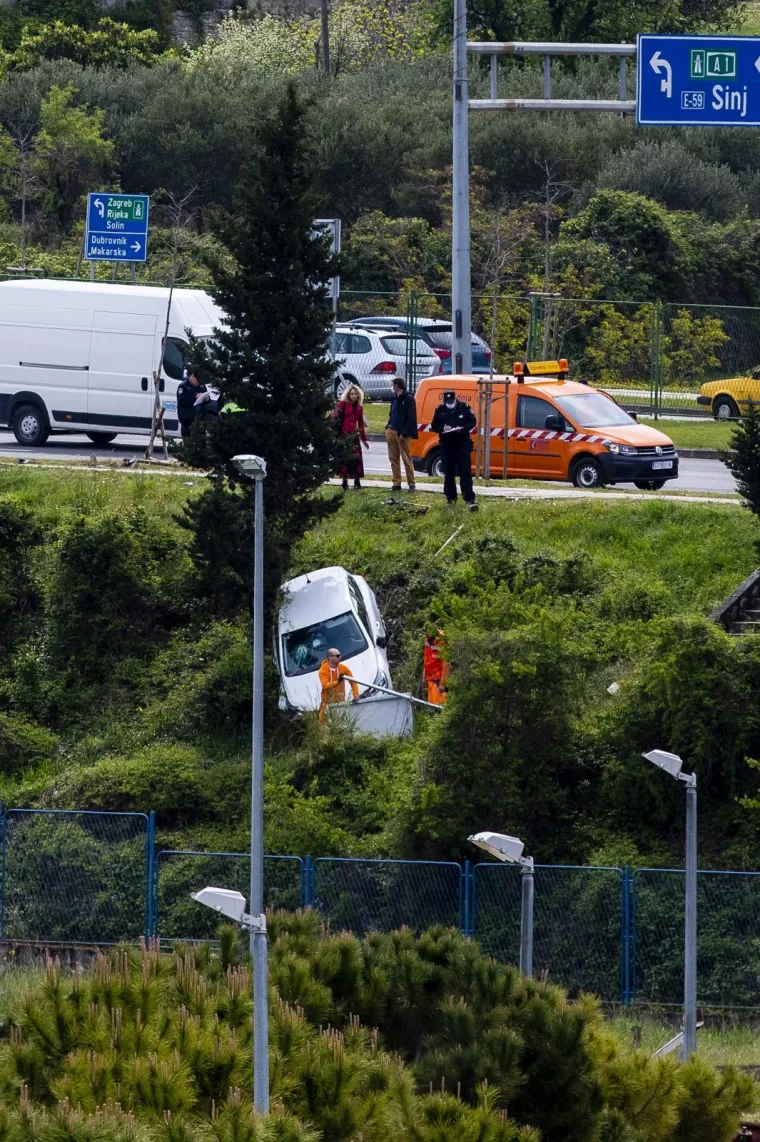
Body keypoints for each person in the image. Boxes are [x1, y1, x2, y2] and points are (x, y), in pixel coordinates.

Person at [431, 389, 478, 510]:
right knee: (448, 471)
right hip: (447, 443)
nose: (449, 404)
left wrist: (462, 429)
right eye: (447, 402)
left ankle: (469, 497)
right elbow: (434, 425)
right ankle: (451, 498)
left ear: (455, 399)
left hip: (462, 442)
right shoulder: (440, 409)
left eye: (451, 401)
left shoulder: (464, 407)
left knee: (465, 471)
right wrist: (443, 428)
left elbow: (472, 422)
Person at [333, 384, 369, 490]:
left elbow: (361, 424)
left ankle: (357, 481)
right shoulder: (342, 404)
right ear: (348, 395)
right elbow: (333, 415)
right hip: (344, 436)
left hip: (354, 436)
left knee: (357, 459)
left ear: (358, 395)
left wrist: (364, 439)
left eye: (355, 394)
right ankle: (344, 482)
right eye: (352, 394)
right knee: (344, 459)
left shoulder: (359, 408)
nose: (353, 396)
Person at [385, 377, 418, 492]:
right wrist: (388, 426)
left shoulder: (408, 398)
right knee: (393, 458)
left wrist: (404, 433)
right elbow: (392, 413)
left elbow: (411, 418)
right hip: (391, 429)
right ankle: (396, 482)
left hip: (403, 433)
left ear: (397, 385)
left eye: (393, 384)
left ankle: (411, 483)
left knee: (406, 458)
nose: (392, 387)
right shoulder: (394, 397)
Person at [318, 648, 359, 720]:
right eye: (337, 656)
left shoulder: (343, 668)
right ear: (330, 657)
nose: (340, 657)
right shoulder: (322, 671)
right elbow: (325, 686)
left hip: (340, 702)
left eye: (340, 655)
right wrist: (337, 682)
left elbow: (353, 681)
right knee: (323, 724)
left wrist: (356, 695)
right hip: (327, 704)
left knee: (342, 722)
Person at [177, 371, 213, 439]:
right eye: (196, 381)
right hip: (187, 419)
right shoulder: (183, 386)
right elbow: (182, 402)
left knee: (202, 441)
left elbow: (206, 396)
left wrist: (206, 399)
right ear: (192, 377)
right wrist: (194, 398)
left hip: (200, 418)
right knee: (187, 440)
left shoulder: (201, 384)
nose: (198, 383)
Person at [423, 631, 449, 705]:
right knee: (433, 705)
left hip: (438, 680)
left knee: (441, 705)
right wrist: (424, 676)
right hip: (430, 679)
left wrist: (443, 684)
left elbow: (446, 664)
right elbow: (426, 657)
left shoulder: (441, 641)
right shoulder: (427, 638)